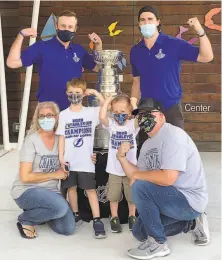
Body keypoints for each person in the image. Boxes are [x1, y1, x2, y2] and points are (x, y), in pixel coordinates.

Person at [116, 98, 210, 259]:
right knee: (139, 232)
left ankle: (158, 244)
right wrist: (122, 157)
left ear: (161, 116)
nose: (143, 118)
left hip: (188, 200)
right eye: (140, 115)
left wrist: (138, 176)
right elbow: (138, 173)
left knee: (140, 186)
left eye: (148, 113)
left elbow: (168, 178)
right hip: (168, 199)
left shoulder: (173, 135)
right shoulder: (147, 145)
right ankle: (192, 223)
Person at [130, 5, 214, 147]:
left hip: (171, 107)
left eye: (150, 19)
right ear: (139, 23)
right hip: (147, 109)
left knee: (176, 150)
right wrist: (133, 105)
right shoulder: (135, 51)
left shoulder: (173, 44)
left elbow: (206, 56)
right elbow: (136, 82)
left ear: (158, 21)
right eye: (142, 20)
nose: (146, 23)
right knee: (146, 152)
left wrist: (200, 31)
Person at [6, 10, 102, 111]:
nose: (66, 29)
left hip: (73, 111)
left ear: (75, 29)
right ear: (56, 26)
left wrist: (98, 46)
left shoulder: (79, 51)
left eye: (70, 27)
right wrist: (21, 35)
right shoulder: (42, 47)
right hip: (48, 111)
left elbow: (98, 67)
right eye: (63, 26)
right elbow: (12, 62)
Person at [11, 102, 75, 239]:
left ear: (57, 117)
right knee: (61, 208)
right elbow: (25, 177)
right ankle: (26, 219)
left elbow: (74, 154)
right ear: (37, 119)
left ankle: (44, 211)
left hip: (51, 192)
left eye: (50, 115)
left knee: (67, 228)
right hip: (27, 190)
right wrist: (55, 174)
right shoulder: (32, 140)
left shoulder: (61, 139)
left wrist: (91, 157)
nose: (46, 119)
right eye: (42, 116)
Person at [56, 78, 106, 239]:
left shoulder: (90, 113)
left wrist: (96, 93)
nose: (74, 95)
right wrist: (61, 157)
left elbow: (105, 108)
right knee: (71, 188)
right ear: (66, 94)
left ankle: (97, 219)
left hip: (86, 161)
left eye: (78, 92)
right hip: (70, 160)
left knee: (90, 190)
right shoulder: (63, 115)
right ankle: (76, 213)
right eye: (71, 92)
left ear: (83, 94)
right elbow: (62, 137)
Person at [99, 94, 139, 233]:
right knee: (113, 196)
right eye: (116, 112)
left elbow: (140, 118)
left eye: (123, 112)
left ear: (129, 113)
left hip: (130, 169)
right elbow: (102, 117)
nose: (119, 115)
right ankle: (114, 217)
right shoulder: (112, 125)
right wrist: (108, 102)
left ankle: (132, 216)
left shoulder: (131, 125)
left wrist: (134, 104)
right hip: (114, 169)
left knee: (132, 196)